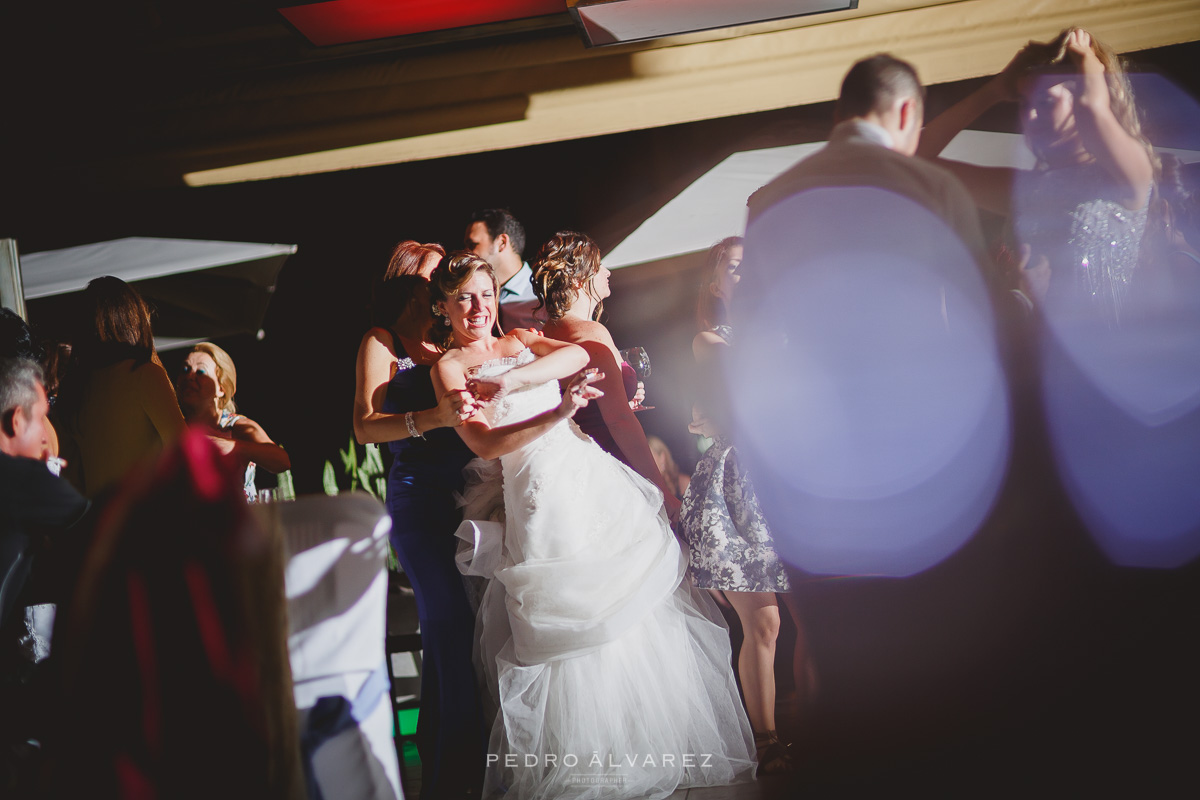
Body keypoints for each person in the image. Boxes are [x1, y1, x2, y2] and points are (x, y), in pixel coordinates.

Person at [431, 252, 756, 799]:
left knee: (631, 608)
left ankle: (646, 738)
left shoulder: (521, 341)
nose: (477, 307)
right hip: (536, 498)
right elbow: (484, 441)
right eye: (463, 297)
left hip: (586, 478)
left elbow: (581, 354)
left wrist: (515, 382)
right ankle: (588, 762)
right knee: (565, 619)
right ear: (444, 308)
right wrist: (554, 413)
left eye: (485, 295)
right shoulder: (450, 368)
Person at [351, 239, 485, 800]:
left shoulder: (448, 342)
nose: (444, 288)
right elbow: (364, 425)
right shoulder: (382, 342)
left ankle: (445, 780)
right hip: (418, 504)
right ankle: (463, 775)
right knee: (450, 624)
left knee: (451, 643)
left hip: (469, 498)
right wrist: (431, 417)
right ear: (410, 283)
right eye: (436, 279)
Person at [679, 237, 813, 774]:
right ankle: (767, 739)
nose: (747, 275)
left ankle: (823, 729)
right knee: (764, 623)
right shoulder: (711, 340)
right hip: (737, 489)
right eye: (735, 269)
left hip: (795, 478)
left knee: (815, 619)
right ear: (717, 286)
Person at [917, 28, 1155, 324]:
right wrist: (992, 92)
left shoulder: (1129, 178)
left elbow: (1093, 111)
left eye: (1045, 102)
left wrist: (1092, 72)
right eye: (1026, 104)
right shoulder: (1030, 189)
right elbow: (913, 162)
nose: (1029, 117)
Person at [748, 54, 987, 264]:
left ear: (837, 116)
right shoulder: (938, 190)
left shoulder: (770, 200)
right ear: (907, 113)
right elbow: (980, 302)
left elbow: (748, 308)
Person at [532, 230, 681, 518]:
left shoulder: (545, 334)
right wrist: (662, 491)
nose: (607, 271)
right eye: (599, 266)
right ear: (578, 280)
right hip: (611, 464)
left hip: (574, 469)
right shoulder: (592, 333)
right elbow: (619, 420)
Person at [54, 277, 187, 498]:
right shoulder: (144, 375)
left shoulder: (73, 390)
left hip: (102, 524)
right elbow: (188, 454)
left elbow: (73, 479)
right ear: (133, 319)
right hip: (149, 517)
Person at [176, 342, 290, 501]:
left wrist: (232, 446)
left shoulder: (235, 425)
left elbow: (282, 461)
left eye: (201, 371)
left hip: (239, 522)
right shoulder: (173, 427)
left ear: (221, 388)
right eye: (185, 370)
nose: (189, 376)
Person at [464, 208, 543, 331]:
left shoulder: (542, 297)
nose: (466, 254)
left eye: (472, 245)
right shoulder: (469, 294)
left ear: (501, 243)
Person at [647, 435, 689, 500]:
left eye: (650, 457)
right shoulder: (650, 489)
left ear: (662, 458)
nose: (647, 463)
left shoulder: (683, 482)